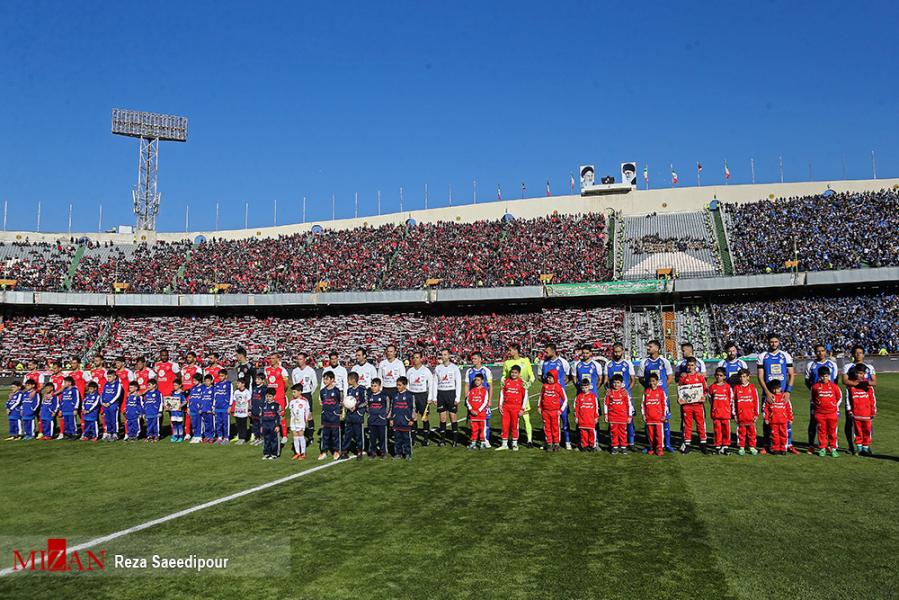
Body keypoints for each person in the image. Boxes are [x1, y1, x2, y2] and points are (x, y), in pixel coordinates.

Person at [757, 333, 798, 454]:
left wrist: (788, 391)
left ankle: (788, 444)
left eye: (775, 342)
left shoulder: (786, 355)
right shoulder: (762, 356)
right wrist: (767, 392)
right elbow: (760, 376)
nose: (773, 344)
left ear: (779, 342)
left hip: (783, 394)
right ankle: (767, 445)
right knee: (767, 420)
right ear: (768, 342)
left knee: (786, 420)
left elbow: (791, 374)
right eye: (771, 342)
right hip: (768, 393)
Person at [637, 340, 675, 452]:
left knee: (665, 419)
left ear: (657, 348)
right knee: (649, 420)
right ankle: (650, 445)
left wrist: (661, 390)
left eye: (650, 346)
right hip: (650, 396)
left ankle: (667, 444)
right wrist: (649, 388)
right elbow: (640, 378)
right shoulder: (644, 362)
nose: (648, 348)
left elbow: (669, 378)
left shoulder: (664, 361)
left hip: (662, 396)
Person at [841, 345, 878, 454]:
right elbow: (845, 381)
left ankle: (866, 446)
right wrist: (859, 384)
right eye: (856, 353)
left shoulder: (869, 367)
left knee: (867, 424)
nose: (858, 354)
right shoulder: (848, 366)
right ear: (853, 354)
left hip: (865, 399)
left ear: (863, 354)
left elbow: (874, 382)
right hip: (853, 398)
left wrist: (863, 384)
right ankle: (851, 445)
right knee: (850, 422)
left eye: (860, 352)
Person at [804, 343, 839, 452]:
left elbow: (835, 381)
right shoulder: (811, 365)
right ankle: (811, 445)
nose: (821, 353)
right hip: (816, 400)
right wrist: (817, 393)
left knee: (830, 424)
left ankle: (830, 445)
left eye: (823, 350)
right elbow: (807, 381)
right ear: (815, 353)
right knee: (813, 422)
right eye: (818, 351)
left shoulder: (833, 364)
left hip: (829, 401)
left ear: (826, 352)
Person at [502, 343, 535, 448]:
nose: (509, 352)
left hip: (522, 394)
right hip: (512, 394)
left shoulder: (525, 361)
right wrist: (502, 381)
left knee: (526, 418)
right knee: (514, 419)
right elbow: (505, 376)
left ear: (516, 350)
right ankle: (515, 441)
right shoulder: (507, 363)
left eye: (510, 350)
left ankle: (529, 440)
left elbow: (532, 376)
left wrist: (528, 384)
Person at [540, 343, 572, 449]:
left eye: (546, 351)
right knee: (548, 422)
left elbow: (568, 376)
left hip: (560, 397)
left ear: (553, 351)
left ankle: (567, 441)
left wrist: (560, 386)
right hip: (549, 398)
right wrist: (548, 385)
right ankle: (548, 441)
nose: (545, 353)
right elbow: (540, 377)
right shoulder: (543, 362)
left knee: (564, 419)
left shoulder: (563, 362)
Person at [606, 342, 636, 450]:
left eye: (619, 351)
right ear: (612, 351)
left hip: (625, 397)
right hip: (613, 398)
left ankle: (631, 442)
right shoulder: (608, 364)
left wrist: (626, 391)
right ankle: (614, 442)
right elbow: (606, 381)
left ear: (622, 351)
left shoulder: (628, 364)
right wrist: (609, 392)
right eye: (615, 351)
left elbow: (633, 380)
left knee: (629, 419)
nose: (617, 353)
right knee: (613, 420)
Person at [677, 357, 708, 454]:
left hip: (698, 405)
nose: (690, 367)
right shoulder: (683, 377)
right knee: (687, 425)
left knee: (701, 424)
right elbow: (680, 389)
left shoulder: (700, 377)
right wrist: (679, 399)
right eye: (688, 365)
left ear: (695, 366)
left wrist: (704, 396)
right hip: (687, 406)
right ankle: (687, 444)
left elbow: (705, 389)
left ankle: (703, 444)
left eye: (692, 365)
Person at [810, 366, 841, 457]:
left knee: (832, 432)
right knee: (821, 431)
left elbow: (839, 398)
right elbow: (812, 399)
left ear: (829, 376)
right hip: (820, 414)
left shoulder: (834, 386)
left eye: (826, 376)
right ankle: (822, 448)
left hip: (832, 413)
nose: (824, 378)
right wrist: (816, 409)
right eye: (822, 376)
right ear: (819, 376)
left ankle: (833, 448)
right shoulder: (815, 387)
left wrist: (834, 407)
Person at [434, 349, 462, 447]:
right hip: (441, 394)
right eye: (442, 355)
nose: (443, 356)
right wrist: (434, 397)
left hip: (451, 393)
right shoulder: (438, 368)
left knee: (453, 416)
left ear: (449, 356)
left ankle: (455, 440)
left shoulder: (454, 368)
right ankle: (442, 440)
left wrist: (457, 398)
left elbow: (458, 383)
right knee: (442, 418)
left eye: (445, 354)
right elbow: (435, 383)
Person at [407, 351, 435, 446]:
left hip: (422, 396)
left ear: (421, 358)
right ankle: (413, 439)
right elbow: (407, 385)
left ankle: (425, 439)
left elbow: (431, 385)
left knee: (425, 418)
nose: (415, 359)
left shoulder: (426, 370)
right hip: (412, 395)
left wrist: (430, 397)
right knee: (413, 418)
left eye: (417, 357)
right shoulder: (410, 371)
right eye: (414, 357)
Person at [465, 352, 493, 447]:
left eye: (475, 358)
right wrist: (466, 399)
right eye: (472, 359)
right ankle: (474, 439)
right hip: (473, 400)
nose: (473, 360)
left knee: (486, 420)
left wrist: (489, 400)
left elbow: (490, 386)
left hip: (483, 401)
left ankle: (486, 439)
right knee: (473, 421)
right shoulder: (469, 371)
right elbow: (467, 385)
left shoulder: (486, 370)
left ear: (480, 359)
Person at [497, 364, 526, 451]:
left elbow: (525, 396)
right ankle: (504, 443)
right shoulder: (506, 382)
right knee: (505, 425)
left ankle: (514, 444)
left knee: (514, 426)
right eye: (512, 372)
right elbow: (502, 393)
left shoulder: (522, 383)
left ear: (519, 373)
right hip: (506, 407)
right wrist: (500, 405)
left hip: (516, 407)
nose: (513, 374)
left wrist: (522, 408)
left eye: (515, 373)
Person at [290, 352, 317, 444]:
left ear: (305, 359)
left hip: (307, 394)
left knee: (309, 416)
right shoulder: (295, 371)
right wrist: (297, 394)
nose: (299, 361)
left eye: (301, 359)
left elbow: (315, 384)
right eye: (298, 359)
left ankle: (310, 436)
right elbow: (294, 384)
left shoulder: (310, 370)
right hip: (297, 396)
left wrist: (309, 393)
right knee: (298, 415)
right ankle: (299, 434)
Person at [264, 352, 290, 443]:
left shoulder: (282, 370)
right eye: (270, 358)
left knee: (281, 415)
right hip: (271, 397)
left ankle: (285, 435)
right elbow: (267, 382)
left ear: (278, 359)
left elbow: (286, 385)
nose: (271, 360)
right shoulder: (267, 370)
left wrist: (282, 392)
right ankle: (272, 433)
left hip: (279, 397)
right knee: (270, 415)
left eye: (273, 358)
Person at [733, 369, 760, 455]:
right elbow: (734, 402)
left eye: (744, 376)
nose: (742, 378)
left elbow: (756, 401)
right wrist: (735, 414)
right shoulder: (736, 388)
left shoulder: (752, 388)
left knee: (752, 432)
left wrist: (756, 414)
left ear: (748, 377)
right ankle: (741, 447)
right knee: (741, 432)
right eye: (740, 377)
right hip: (741, 416)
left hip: (751, 416)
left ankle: (752, 447)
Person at [604, 374, 633, 455]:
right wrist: (606, 415)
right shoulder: (609, 392)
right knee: (614, 432)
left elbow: (629, 405)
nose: (616, 384)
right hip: (613, 417)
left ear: (621, 383)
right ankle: (615, 447)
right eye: (614, 383)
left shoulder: (624, 392)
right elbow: (606, 404)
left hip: (622, 417)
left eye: (618, 382)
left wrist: (629, 416)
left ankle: (623, 447)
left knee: (623, 432)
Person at [342, 372, 368, 459]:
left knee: (358, 434)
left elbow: (366, 402)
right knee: (347, 434)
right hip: (349, 415)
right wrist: (346, 405)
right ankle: (344, 451)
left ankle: (360, 451)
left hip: (357, 415)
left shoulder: (362, 389)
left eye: (348, 379)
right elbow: (348, 401)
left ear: (353, 380)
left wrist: (356, 407)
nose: (347, 381)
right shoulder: (349, 390)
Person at [538, 372, 566, 452]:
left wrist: (561, 410)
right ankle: (549, 443)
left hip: (555, 412)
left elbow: (565, 400)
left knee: (555, 428)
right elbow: (541, 396)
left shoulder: (558, 387)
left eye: (550, 378)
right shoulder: (544, 386)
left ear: (555, 378)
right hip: (545, 411)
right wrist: (539, 407)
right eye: (548, 378)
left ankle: (556, 443)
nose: (548, 379)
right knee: (547, 428)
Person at [708, 367, 734, 455]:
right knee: (717, 430)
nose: (718, 377)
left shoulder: (727, 387)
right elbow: (710, 399)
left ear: (724, 377)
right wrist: (715, 407)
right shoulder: (712, 387)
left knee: (726, 430)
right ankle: (717, 446)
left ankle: (725, 446)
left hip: (725, 413)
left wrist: (727, 408)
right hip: (716, 413)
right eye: (717, 375)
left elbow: (731, 399)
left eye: (721, 375)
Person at [763, 381, 793, 455]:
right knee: (774, 436)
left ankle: (783, 449)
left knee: (783, 435)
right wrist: (766, 418)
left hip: (783, 421)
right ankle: (775, 449)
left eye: (777, 388)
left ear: (780, 388)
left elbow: (788, 408)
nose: (776, 391)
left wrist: (790, 418)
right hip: (773, 421)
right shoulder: (769, 398)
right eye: (774, 389)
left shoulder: (784, 397)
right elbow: (765, 409)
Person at [390, 376, 415, 460]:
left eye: (399, 385)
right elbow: (392, 407)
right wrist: (391, 419)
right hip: (396, 420)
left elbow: (413, 408)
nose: (397, 387)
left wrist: (411, 419)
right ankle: (398, 453)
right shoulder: (395, 395)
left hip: (406, 421)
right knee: (397, 439)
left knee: (406, 439)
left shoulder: (410, 395)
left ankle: (408, 454)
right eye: (397, 385)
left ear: (405, 385)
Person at [318, 371, 342, 460]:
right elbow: (323, 403)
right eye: (324, 379)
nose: (325, 381)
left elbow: (339, 402)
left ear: (332, 380)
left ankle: (336, 451)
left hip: (334, 416)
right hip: (325, 417)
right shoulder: (322, 391)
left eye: (327, 379)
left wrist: (338, 413)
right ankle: (323, 452)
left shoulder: (336, 391)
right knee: (325, 435)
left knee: (335, 435)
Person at [641, 373, 666, 456]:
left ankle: (659, 448)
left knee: (659, 434)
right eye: (650, 381)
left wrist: (664, 415)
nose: (652, 383)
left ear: (657, 381)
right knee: (651, 434)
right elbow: (643, 404)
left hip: (658, 417)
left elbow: (664, 403)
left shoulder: (661, 391)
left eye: (654, 381)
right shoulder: (647, 391)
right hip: (649, 417)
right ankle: (652, 447)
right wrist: (644, 415)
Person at [465, 373, 490, 450]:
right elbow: (467, 401)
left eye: (478, 380)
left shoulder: (484, 391)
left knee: (482, 429)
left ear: (482, 381)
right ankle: (473, 443)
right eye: (475, 380)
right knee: (474, 429)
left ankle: (482, 443)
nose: (476, 381)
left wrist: (478, 411)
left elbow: (485, 402)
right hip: (473, 414)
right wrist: (471, 409)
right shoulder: (472, 390)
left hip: (481, 414)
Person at [574, 378, 599, 452]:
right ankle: (584, 446)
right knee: (583, 434)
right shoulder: (579, 396)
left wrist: (596, 417)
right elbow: (576, 408)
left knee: (591, 433)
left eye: (586, 387)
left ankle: (592, 446)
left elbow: (596, 407)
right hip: (582, 419)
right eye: (583, 387)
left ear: (589, 386)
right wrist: (576, 417)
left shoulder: (593, 396)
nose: (584, 389)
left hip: (591, 419)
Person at [367, 378, 389, 459]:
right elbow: (367, 406)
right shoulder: (369, 395)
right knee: (372, 438)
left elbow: (388, 407)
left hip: (381, 421)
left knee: (382, 437)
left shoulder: (384, 396)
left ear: (379, 386)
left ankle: (383, 452)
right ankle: (373, 452)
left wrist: (384, 416)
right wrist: (369, 414)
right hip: (371, 420)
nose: (373, 387)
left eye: (375, 386)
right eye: (372, 386)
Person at [288, 384, 310, 460]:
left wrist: (306, 419)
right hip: (293, 421)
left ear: (300, 392)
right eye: (292, 392)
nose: (293, 394)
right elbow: (291, 410)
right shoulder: (292, 401)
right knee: (295, 436)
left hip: (301, 421)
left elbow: (307, 411)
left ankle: (303, 453)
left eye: (294, 392)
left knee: (301, 435)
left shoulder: (304, 401)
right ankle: (297, 453)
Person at [100, 369, 123, 441]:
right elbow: (102, 394)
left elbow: (117, 395)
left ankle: (115, 434)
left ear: (114, 377)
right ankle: (109, 433)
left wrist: (110, 403)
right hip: (105, 405)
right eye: (108, 377)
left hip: (113, 405)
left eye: (110, 376)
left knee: (114, 420)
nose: (108, 378)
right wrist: (102, 402)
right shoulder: (106, 384)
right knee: (107, 420)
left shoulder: (118, 384)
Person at [260, 388, 283, 460]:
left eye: (270, 396)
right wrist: (261, 425)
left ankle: (274, 453)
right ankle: (267, 453)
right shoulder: (263, 405)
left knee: (274, 439)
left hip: (273, 424)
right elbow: (261, 416)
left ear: (274, 396)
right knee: (266, 439)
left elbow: (278, 416)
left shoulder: (276, 405)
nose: (268, 398)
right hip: (265, 424)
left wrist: (277, 425)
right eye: (267, 396)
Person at [57, 376, 82, 440]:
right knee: (66, 423)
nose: (64, 384)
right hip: (65, 410)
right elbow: (62, 400)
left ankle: (74, 434)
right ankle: (68, 434)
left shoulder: (74, 390)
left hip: (71, 410)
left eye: (65, 382)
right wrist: (60, 409)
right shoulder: (64, 391)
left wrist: (75, 409)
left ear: (70, 383)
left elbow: (77, 400)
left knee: (72, 422)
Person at [212, 370, 233, 445]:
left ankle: (226, 438)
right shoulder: (217, 384)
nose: (220, 377)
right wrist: (213, 405)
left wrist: (230, 406)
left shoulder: (229, 384)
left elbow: (231, 395)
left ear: (226, 376)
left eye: (222, 376)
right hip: (217, 407)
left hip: (225, 407)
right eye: (219, 376)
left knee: (225, 423)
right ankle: (220, 437)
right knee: (218, 423)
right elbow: (215, 395)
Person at [231, 377, 251, 445]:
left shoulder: (247, 392)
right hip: (237, 412)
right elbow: (234, 401)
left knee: (243, 425)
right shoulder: (236, 392)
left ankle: (243, 438)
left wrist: (249, 410)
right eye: (237, 383)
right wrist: (233, 410)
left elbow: (249, 402)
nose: (237, 384)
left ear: (243, 384)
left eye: (238, 383)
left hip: (244, 412)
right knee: (238, 425)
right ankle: (240, 437)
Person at [249, 372, 268, 446]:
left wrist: (263, 409)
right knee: (255, 425)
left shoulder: (264, 389)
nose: (256, 380)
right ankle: (257, 438)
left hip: (260, 410)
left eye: (258, 379)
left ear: (263, 380)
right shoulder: (254, 388)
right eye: (256, 379)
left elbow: (265, 400)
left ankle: (262, 439)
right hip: (254, 409)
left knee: (261, 425)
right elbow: (252, 399)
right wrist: (250, 408)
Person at [169, 378, 188, 443]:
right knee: (174, 424)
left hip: (179, 412)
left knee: (179, 424)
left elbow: (185, 401)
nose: (174, 386)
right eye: (173, 385)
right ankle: (175, 436)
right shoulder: (172, 393)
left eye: (176, 385)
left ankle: (180, 436)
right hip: (173, 412)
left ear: (180, 385)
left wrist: (180, 406)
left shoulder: (181, 394)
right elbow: (170, 401)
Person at [187, 373, 205, 444]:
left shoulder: (203, 387)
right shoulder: (193, 388)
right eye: (193, 380)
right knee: (194, 422)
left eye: (195, 380)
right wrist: (188, 407)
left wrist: (202, 407)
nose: (193, 382)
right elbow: (190, 398)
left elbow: (204, 398)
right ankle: (195, 435)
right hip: (192, 408)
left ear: (199, 380)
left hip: (199, 409)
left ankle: (199, 436)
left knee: (199, 422)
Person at [199, 373, 216, 444]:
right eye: (205, 381)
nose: (207, 382)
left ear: (211, 381)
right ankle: (207, 436)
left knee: (211, 424)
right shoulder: (203, 389)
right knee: (206, 424)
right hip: (204, 409)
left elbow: (214, 399)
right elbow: (201, 399)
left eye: (208, 381)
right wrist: (200, 408)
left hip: (210, 410)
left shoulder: (213, 389)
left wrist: (213, 408)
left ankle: (212, 437)